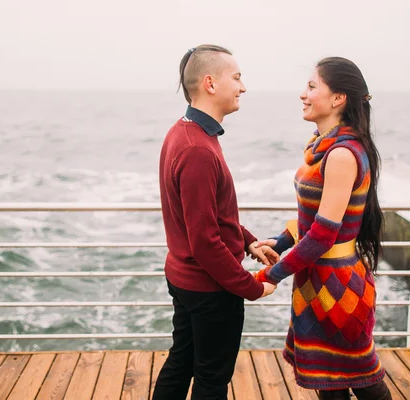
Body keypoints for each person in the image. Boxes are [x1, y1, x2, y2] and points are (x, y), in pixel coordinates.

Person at [253, 57, 392, 400]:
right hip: (316, 282)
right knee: (328, 383)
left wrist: (271, 275)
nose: (303, 94)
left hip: (339, 286)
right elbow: (312, 218)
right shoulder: (322, 145)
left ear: (338, 98)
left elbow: (324, 234)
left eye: (312, 86)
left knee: (362, 378)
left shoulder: (343, 154)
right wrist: (282, 239)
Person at [154, 44, 278, 400]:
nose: (243, 87)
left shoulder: (185, 131)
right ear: (210, 83)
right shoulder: (197, 149)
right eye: (236, 77)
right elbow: (205, 241)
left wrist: (248, 241)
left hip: (183, 277)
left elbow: (211, 216)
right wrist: (251, 288)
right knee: (211, 379)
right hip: (207, 289)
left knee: (182, 361)